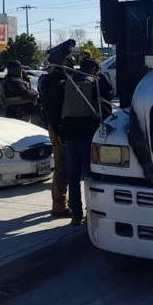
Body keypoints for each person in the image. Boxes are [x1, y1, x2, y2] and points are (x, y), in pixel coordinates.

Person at [60, 57, 113, 226]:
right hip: (88, 135)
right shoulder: (95, 83)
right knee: (90, 176)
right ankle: (91, 211)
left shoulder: (69, 82)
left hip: (70, 134)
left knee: (73, 177)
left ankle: (76, 214)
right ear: (94, 70)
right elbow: (108, 96)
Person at [38, 60, 72, 218]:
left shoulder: (47, 81)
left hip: (54, 127)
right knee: (65, 168)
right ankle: (62, 206)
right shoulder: (61, 83)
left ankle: (59, 204)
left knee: (60, 168)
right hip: (62, 129)